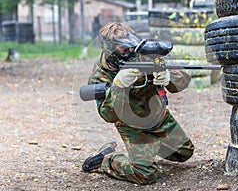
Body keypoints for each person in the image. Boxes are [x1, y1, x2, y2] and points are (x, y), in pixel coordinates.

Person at [82, 22, 194, 185]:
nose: (129, 51)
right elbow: (108, 115)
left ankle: (148, 149)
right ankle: (106, 160)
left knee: (184, 153)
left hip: (158, 117)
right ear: (110, 49)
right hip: (131, 125)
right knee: (145, 174)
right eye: (123, 48)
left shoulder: (144, 54)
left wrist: (169, 77)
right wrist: (118, 86)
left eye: (130, 45)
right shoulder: (100, 75)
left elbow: (184, 78)